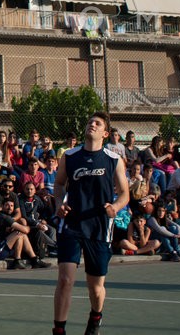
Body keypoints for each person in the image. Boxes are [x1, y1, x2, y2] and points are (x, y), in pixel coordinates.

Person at [52, 111, 129, 335]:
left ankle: (95, 317)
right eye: (89, 122)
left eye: (97, 123)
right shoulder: (69, 156)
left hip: (99, 226)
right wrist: (59, 203)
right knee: (66, 279)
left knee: (95, 288)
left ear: (105, 133)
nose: (91, 125)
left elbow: (124, 194)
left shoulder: (114, 160)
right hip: (71, 224)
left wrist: (115, 207)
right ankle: (58, 330)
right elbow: (58, 184)